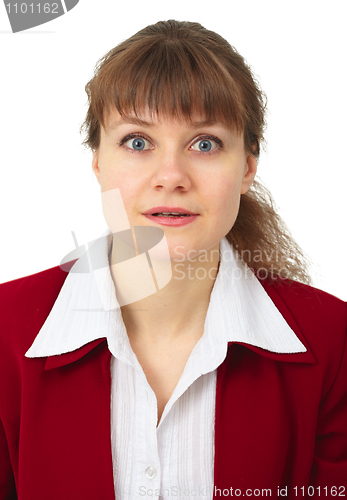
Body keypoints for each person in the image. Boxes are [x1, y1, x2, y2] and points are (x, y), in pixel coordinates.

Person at [0, 19, 346, 500]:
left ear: (247, 166)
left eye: (204, 144)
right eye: (137, 142)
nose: (171, 176)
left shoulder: (333, 339)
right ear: (97, 162)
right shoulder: (6, 327)